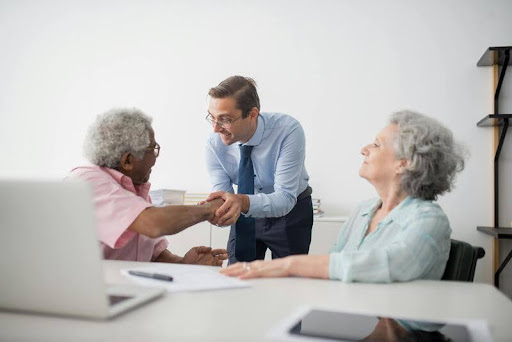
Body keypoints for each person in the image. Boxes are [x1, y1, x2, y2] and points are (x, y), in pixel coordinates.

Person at [221, 110, 465, 283]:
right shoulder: (364, 210)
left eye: (377, 145)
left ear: (404, 163)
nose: (364, 149)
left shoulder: (429, 219)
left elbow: (389, 264)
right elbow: (335, 266)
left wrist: (286, 265)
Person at [67, 108, 228, 265]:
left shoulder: (134, 189)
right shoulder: (87, 182)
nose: (156, 158)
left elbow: (153, 255)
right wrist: (209, 209)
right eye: (153, 149)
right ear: (128, 160)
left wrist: (184, 262)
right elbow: (154, 224)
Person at [204, 75, 313, 264]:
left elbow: (285, 198)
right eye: (212, 118)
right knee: (238, 274)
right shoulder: (214, 144)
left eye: (225, 119)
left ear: (253, 114)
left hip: (291, 211)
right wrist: (216, 212)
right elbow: (224, 198)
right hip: (244, 211)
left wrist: (239, 203)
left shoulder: (288, 130)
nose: (215, 129)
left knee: (290, 280)